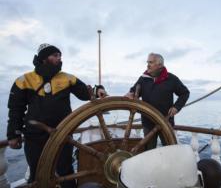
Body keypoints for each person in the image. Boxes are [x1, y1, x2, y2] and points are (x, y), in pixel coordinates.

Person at [6, 43, 106, 187]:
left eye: (60, 56)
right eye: (55, 55)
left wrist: (98, 90)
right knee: (36, 173)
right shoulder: (24, 81)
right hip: (34, 137)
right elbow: (16, 109)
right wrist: (13, 134)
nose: (59, 59)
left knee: (66, 172)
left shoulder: (67, 78)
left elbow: (85, 92)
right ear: (44, 58)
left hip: (62, 134)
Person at [125, 53, 189, 150]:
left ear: (160, 65)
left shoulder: (171, 79)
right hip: (148, 123)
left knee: (170, 150)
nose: (147, 65)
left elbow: (185, 93)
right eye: (147, 62)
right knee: (149, 151)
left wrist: (177, 107)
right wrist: (130, 94)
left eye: (151, 62)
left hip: (166, 122)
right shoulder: (143, 78)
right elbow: (133, 91)